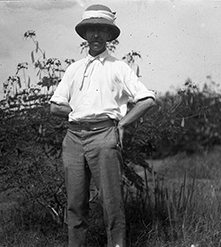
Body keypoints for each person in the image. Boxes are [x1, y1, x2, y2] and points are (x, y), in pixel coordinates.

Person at [50, 4, 157, 247]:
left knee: (112, 203)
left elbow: (147, 100)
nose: (96, 35)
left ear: (109, 35)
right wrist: (80, 114)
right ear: (85, 35)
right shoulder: (74, 69)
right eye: (91, 30)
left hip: (105, 136)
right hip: (74, 138)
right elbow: (55, 106)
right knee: (75, 203)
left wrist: (122, 124)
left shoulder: (118, 67)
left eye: (101, 30)